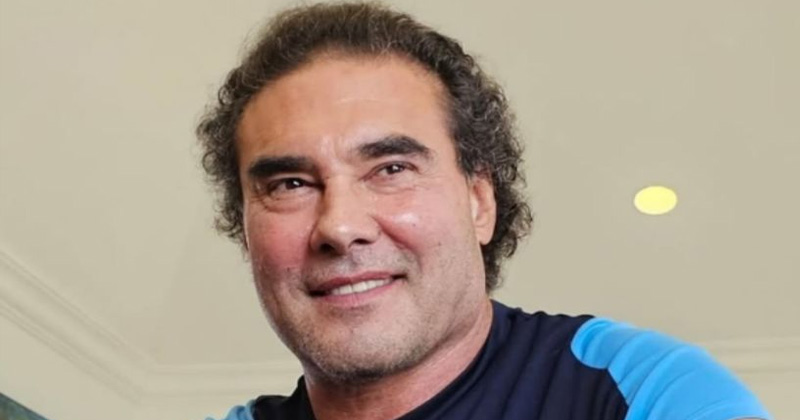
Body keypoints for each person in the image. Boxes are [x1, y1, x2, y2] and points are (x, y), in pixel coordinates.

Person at [197, 3, 770, 420]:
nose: (340, 226)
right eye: (290, 184)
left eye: (391, 169)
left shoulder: (642, 390)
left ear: (479, 202)